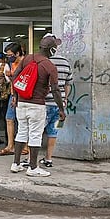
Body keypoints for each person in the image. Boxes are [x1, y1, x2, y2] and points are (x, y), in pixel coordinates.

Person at [10, 36, 66, 177]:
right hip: (37, 105)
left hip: (21, 104)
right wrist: (61, 108)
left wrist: (16, 97)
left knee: (22, 132)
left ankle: (15, 164)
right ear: (52, 49)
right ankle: (33, 168)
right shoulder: (50, 67)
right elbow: (55, 90)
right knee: (35, 135)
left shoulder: (27, 58)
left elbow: (14, 77)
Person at [40, 33, 73, 167]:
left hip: (43, 103)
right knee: (53, 132)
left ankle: (30, 158)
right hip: (59, 106)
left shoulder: (43, 62)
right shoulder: (65, 62)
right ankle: (48, 159)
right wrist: (64, 100)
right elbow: (68, 84)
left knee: (37, 131)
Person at [0, 42, 28, 156]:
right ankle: (10, 145)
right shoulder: (13, 64)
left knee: (23, 120)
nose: (9, 57)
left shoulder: (25, 63)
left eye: (10, 55)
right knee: (9, 118)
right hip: (13, 93)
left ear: (17, 53)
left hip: (23, 95)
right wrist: (11, 76)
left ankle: (25, 146)